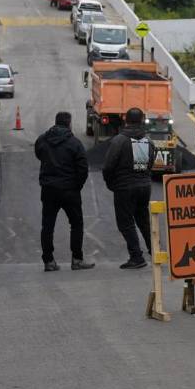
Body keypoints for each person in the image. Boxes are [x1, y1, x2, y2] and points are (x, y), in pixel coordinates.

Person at [35, 112, 95, 272]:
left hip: (48, 189)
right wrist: (76, 185)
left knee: (47, 225)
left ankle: (48, 261)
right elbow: (83, 168)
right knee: (76, 224)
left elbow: (38, 154)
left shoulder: (42, 140)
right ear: (69, 123)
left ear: (55, 122)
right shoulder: (74, 143)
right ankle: (77, 259)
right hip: (69, 190)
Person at [103, 107, 155, 270]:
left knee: (126, 222)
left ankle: (136, 256)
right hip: (144, 186)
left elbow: (108, 166)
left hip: (125, 187)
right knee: (143, 220)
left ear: (126, 120)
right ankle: (155, 251)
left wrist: (111, 183)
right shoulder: (148, 141)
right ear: (141, 120)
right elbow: (150, 164)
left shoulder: (119, 140)